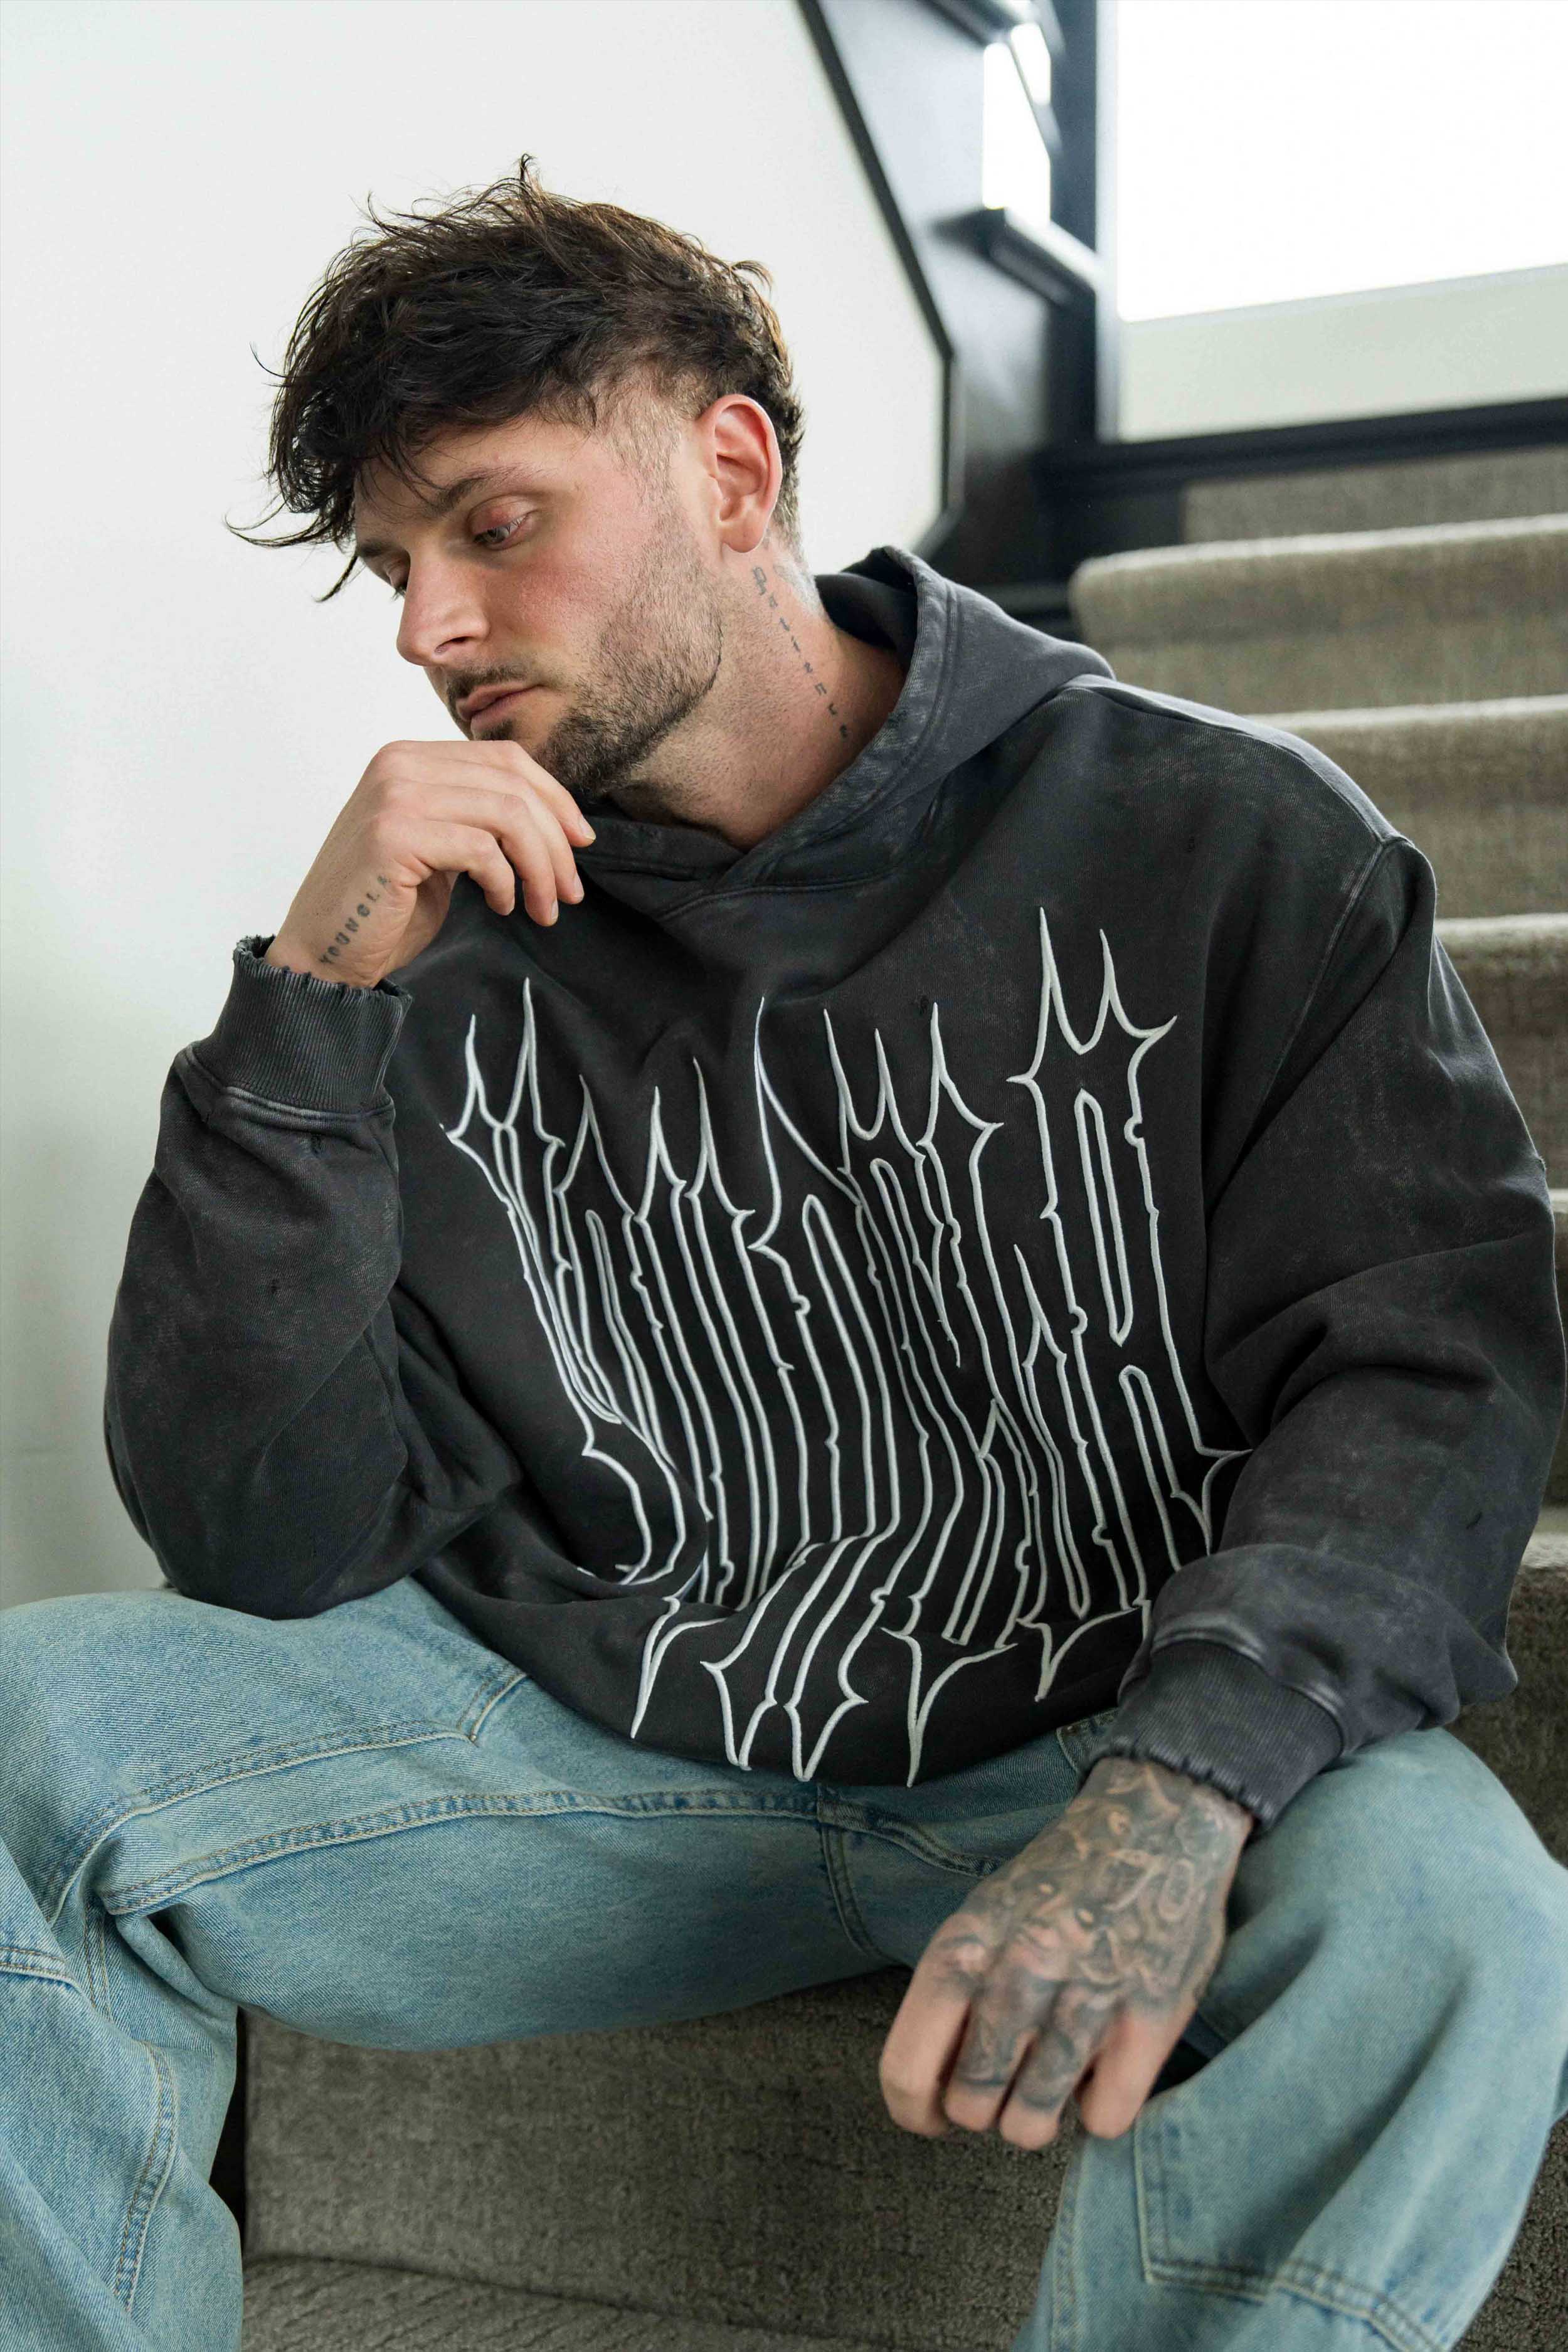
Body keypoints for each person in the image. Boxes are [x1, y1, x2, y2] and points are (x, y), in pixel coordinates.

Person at [2, 154, 1564, 2352]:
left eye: (492, 524)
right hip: (608, 1758)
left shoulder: (1219, 838)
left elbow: (1430, 1372)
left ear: (730, 471)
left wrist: (1178, 1791)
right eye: (394, 566)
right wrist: (306, 1008)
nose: (428, 628)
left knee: (1449, 1906)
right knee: (29, 1729)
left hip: (1110, 1729)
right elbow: (260, 1544)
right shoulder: (435, 964)